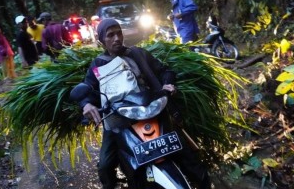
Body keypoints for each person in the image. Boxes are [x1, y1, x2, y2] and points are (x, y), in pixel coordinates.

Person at [79, 18, 210, 189]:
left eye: (119, 32)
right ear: (101, 41)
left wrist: (166, 84)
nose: (117, 38)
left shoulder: (138, 54)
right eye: (110, 35)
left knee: (187, 155)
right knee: (105, 165)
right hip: (119, 121)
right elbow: (88, 89)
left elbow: (165, 71)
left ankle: (204, 183)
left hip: (152, 111)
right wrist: (86, 104)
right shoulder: (98, 64)